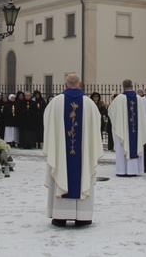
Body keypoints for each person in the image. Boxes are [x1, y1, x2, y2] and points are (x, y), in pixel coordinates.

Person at [43, 73, 103, 227]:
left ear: (65, 85)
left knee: (62, 170)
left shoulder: (55, 103)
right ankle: (83, 216)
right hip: (82, 155)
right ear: (80, 84)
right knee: (82, 174)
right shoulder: (89, 104)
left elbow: (47, 124)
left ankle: (60, 216)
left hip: (63, 154)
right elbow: (97, 126)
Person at [108, 79, 146, 176]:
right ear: (132, 86)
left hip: (123, 130)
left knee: (123, 148)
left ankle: (122, 171)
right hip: (136, 131)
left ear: (123, 86)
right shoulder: (138, 98)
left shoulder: (119, 98)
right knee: (135, 144)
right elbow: (143, 115)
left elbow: (111, 111)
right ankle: (134, 170)